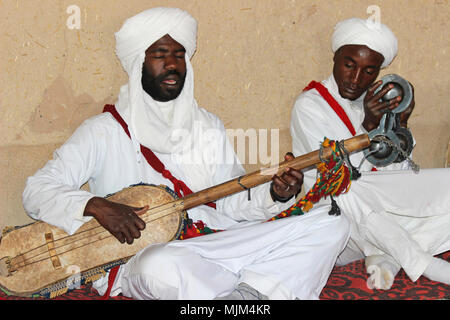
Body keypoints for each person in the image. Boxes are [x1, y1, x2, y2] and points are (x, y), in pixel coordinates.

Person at [23, 7, 349, 300]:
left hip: (219, 242)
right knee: (158, 265)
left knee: (332, 221)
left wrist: (276, 194)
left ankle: (247, 294)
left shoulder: (206, 125)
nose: (172, 65)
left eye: (179, 54)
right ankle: (260, 288)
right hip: (151, 255)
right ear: (139, 61)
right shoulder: (102, 131)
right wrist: (96, 206)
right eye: (160, 54)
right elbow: (37, 192)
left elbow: (232, 200)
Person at [291, 17, 450, 290]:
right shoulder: (310, 105)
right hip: (338, 222)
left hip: (377, 226)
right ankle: (421, 262)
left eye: (368, 71)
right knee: (346, 186)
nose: (355, 78)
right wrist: (367, 126)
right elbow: (340, 174)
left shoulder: (379, 103)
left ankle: (388, 255)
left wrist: (399, 126)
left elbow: (397, 179)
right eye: (349, 64)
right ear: (335, 58)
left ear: (378, 72)